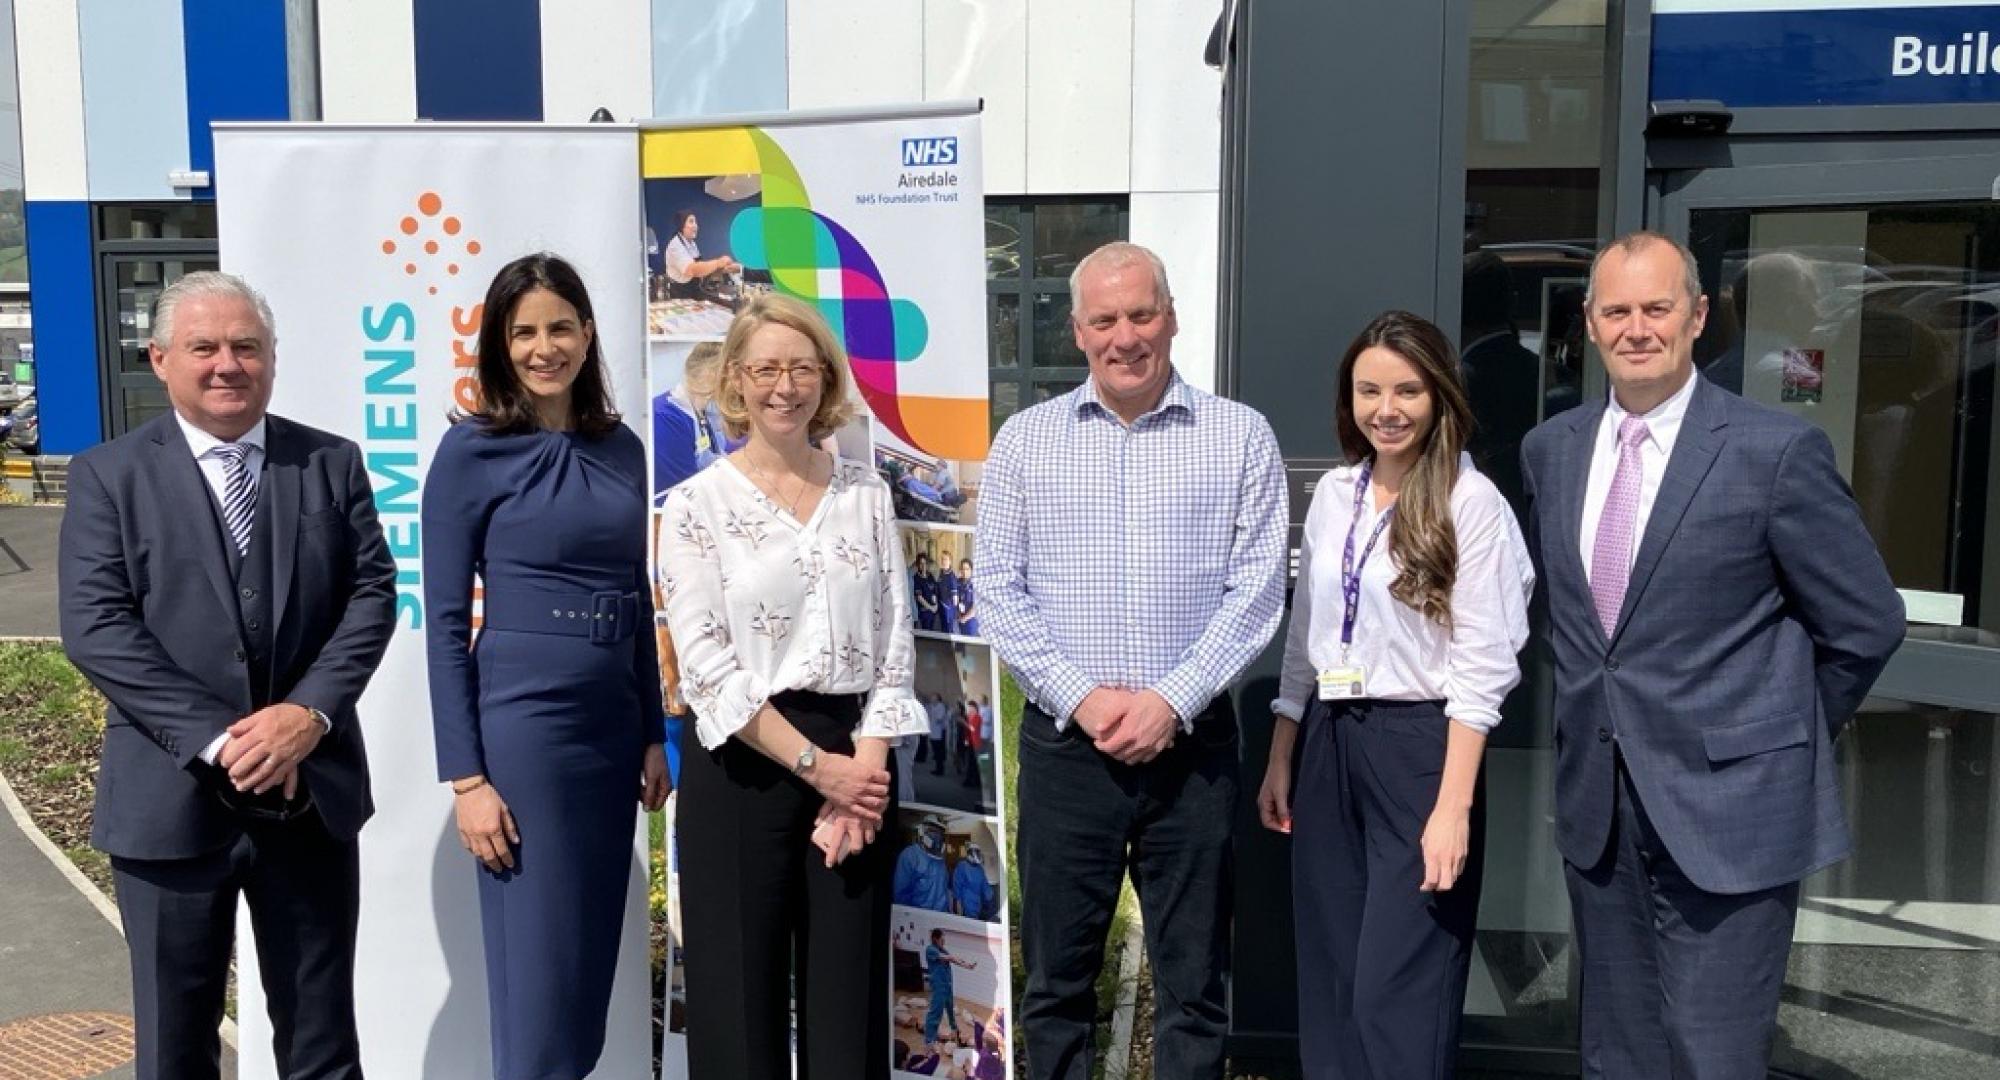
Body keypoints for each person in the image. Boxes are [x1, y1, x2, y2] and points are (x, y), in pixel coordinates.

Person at [1519, 231, 1904, 1078]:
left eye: (1657, 308)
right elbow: (1570, 622)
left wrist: (1772, 734)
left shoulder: (1774, 451)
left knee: (1713, 1056)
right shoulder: (1552, 450)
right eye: (1616, 310)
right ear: (1588, 323)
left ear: (1697, 316)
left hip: (1733, 810)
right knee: (1617, 1054)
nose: (1637, 328)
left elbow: (1866, 623)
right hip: (1603, 808)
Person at [59, 271, 397, 1079]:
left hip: (306, 798)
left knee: (321, 1044)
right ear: (160, 359)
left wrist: (307, 716)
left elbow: (371, 593)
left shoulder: (329, 463)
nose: (227, 364)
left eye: (246, 346)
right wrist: (220, 739)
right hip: (168, 809)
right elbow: (98, 627)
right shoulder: (109, 474)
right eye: (203, 347)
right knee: (174, 1051)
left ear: (272, 358)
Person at [975, 241, 1287, 1080]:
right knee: (1056, 985)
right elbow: (998, 590)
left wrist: (1168, 701)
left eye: (1141, 314)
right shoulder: (1026, 442)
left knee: (1194, 989)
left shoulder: (1240, 436)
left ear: (1173, 317)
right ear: (1076, 330)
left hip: (1193, 756)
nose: (1125, 336)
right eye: (1104, 319)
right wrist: (1082, 699)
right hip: (1065, 754)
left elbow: (1255, 594)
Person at [659, 292, 929, 1080]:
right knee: (737, 1019)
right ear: (736, 381)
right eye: (766, 368)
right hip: (743, 764)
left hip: (858, 766)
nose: (786, 386)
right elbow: (704, 664)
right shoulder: (693, 507)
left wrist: (863, 769)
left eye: (802, 367)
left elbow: (895, 642)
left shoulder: (867, 496)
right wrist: (819, 768)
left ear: (826, 378)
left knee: (847, 1019)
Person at [1259, 311, 1534, 1078]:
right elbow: (1307, 632)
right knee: (1335, 982)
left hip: (1421, 753)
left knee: (1397, 991)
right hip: (1329, 742)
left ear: (1440, 395)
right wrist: (1286, 746)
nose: (1387, 408)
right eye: (1369, 390)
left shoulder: (1470, 504)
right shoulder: (1336, 495)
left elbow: (1483, 668)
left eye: (1407, 390)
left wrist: (1453, 808)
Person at [421, 253, 671, 1080]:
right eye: (523, 331)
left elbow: (633, 591)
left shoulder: (622, 449)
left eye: (559, 327)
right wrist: (467, 779)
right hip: (525, 731)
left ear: (587, 333)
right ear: (498, 342)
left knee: (585, 979)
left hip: (609, 736)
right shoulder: (470, 454)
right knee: (536, 985)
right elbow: (446, 623)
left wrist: (648, 735)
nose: (543, 347)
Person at [652, 340, 736, 499]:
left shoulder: (702, 411)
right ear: (708, 377)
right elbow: (680, 490)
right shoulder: (665, 418)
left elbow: (714, 455)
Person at [663, 210, 740, 301]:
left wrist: (724, 269)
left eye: (696, 222)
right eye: (691, 221)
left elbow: (700, 266)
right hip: (680, 293)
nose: (696, 225)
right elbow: (691, 270)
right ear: (682, 225)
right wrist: (718, 263)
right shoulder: (675, 245)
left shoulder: (692, 244)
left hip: (694, 289)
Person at [923, 929, 977, 1049]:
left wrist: (968, 965)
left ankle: (955, 1034)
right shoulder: (930, 949)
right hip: (938, 987)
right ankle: (929, 1041)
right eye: (942, 938)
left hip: (947, 986)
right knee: (935, 1013)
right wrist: (955, 958)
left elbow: (952, 958)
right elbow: (949, 958)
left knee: (951, 1012)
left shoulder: (942, 950)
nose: (944, 941)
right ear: (935, 939)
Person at [894, 815, 953, 913]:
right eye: (933, 831)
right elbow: (901, 896)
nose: (937, 836)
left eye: (940, 833)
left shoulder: (940, 859)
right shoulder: (910, 855)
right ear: (922, 831)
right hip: (920, 917)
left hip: (942, 915)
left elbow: (944, 888)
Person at [951, 841, 995, 920]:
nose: (977, 855)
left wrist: (990, 899)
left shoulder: (979, 869)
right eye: (975, 852)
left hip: (977, 906)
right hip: (964, 906)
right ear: (969, 853)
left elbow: (985, 887)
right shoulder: (962, 866)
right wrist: (957, 907)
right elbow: (957, 888)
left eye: (978, 852)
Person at [913, 551, 944, 632]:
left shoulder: (930, 575)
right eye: (921, 564)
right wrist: (931, 608)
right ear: (917, 565)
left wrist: (936, 604)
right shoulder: (916, 578)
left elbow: (935, 591)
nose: (923, 566)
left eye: (925, 563)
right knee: (926, 634)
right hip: (925, 612)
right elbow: (919, 598)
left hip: (933, 611)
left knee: (933, 633)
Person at [952, 557, 979, 635]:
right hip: (959, 619)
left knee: (969, 645)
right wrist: (959, 616)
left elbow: (976, 606)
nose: (964, 571)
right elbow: (955, 601)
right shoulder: (957, 582)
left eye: (967, 569)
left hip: (971, 621)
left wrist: (965, 618)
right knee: (959, 645)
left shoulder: (975, 584)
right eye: (962, 569)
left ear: (971, 570)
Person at [928, 693, 951, 776]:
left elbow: (939, 718)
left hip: (939, 733)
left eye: (933, 698)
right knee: (935, 752)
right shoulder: (932, 706)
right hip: (933, 732)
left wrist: (933, 714)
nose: (931, 699)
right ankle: (937, 768)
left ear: (937, 699)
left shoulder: (941, 707)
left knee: (939, 752)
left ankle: (940, 770)